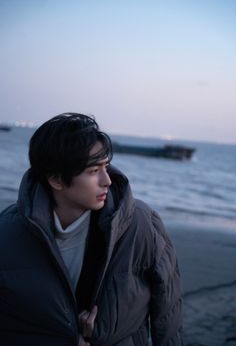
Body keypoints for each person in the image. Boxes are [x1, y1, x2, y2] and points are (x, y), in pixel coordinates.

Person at [0, 113, 183, 346]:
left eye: (106, 166)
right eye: (93, 171)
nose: (107, 180)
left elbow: (168, 306)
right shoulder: (7, 233)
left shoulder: (142, 223)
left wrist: (101, 332)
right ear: (56, 179)